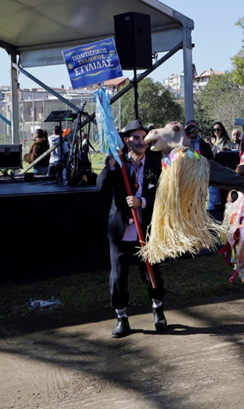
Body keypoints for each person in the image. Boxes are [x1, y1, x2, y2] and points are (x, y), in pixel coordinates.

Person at [96, 119, 166, 338]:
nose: (141, 141)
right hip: (120, 231)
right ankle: (121, 318)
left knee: (152, 273)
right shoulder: (118, 163)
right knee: (118, 277)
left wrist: (141, 202)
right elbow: (101, 186)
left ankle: (158, 309)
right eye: (135, 137)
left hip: (146, 229)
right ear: (126, 141)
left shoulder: (155, 164)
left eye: (143, 137)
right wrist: (111, 164)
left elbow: (162, 196)